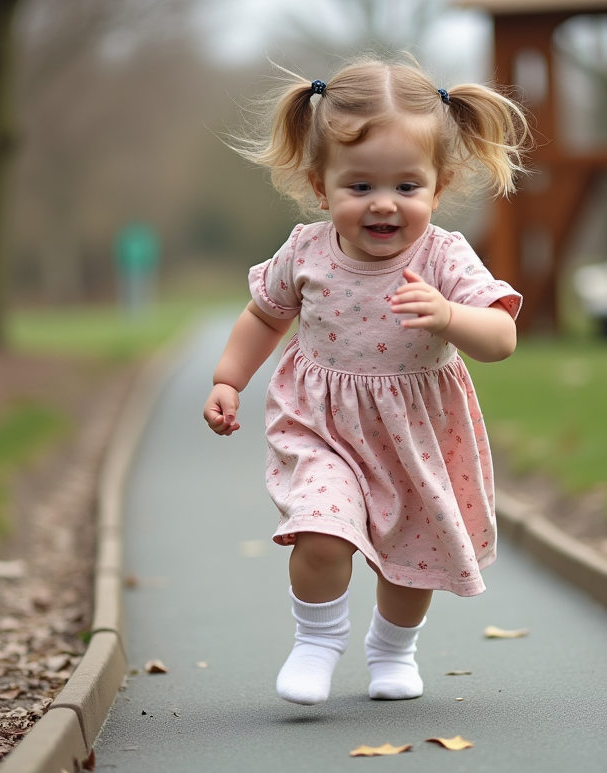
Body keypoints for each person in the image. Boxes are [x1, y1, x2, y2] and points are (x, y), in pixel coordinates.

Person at [202, 54, 532, 706]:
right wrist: (227, 380)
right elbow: (263, 315)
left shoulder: (443, 256)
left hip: (417, 434)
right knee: (322, 532)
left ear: (438, 187)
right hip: (321, 425)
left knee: (413, 558)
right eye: (360, 187)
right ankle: (317, 642)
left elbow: (501, 337)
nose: (384, 204)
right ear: (321, 187)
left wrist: (451, 315)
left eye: (407, 187)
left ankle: (392, 650)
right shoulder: (305, 251)